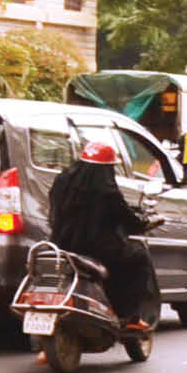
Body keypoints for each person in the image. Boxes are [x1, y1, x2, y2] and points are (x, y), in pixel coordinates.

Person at [45, 140, 159, 332]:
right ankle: (128, 316)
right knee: (139, 258)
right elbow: (129, 220)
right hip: (100, 250)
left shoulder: (62, 182)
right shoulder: (107, 191)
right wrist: (143, 223)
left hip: (62, 245)